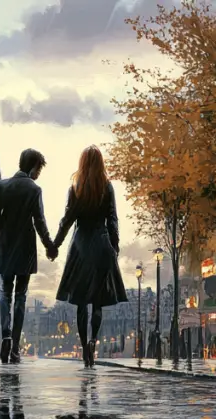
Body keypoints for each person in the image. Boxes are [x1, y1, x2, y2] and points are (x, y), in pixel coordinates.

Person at [50, 146, 128, 368]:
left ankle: (85, 346)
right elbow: (113, 219)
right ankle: (94, 340)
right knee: (98, 302)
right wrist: (115, 245)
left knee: (81, 302)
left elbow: (67, 220)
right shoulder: (107, 187)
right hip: (102, 244)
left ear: (82, 163)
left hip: (81, 247)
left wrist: (55, 245)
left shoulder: (76, 188)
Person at [0, 148, 56, 364]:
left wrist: (8, 230)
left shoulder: (1, 186)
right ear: (33, 166)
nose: (38, 174)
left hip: (7, 245)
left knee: (5, 293)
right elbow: (39, 221)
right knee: (20, 296)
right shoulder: (34, 189)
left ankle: (6, 336)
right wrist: (49, 245)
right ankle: (16, 347)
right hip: (26, 247)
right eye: (39, 169)